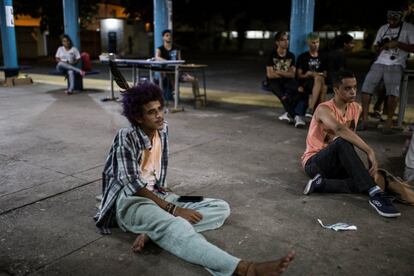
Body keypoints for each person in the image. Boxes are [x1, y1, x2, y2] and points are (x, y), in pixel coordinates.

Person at [94, 82, 295, 275]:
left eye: (159, 109)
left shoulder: (162, 129)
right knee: (177, 223)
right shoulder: (126, 137)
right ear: (138, 117)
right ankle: (245, 269)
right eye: (151, 112)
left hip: (159, 195)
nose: (159, 116)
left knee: (220, 207)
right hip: (133, 202)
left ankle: (155, 232)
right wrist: (172, 209)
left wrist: (170, 205)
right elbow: (133, 184)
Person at [302, 69, 401, 218]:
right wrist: (369, 151)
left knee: (372, 178)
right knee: (342, 141)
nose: (353, 92)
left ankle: (322, 184)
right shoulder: (323, 109)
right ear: (336, 90)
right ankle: (376, 196)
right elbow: (339, 129)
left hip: (338, 164)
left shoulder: (356, 108)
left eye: (355, 87)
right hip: (315, 162)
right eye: (347, 88)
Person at [360, 8, 414, 133]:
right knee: (366, 89)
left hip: (397, 63)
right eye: (389, 19)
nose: (391, 21)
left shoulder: (409, 28)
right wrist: (381, 46)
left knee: (392, 92)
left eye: (394, 19)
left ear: (400, 18)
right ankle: (364, 120)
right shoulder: (384, 28)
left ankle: (389, 123)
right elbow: (375, 47)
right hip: (380, 61)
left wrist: (398, 44)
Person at [266, 31, 306, 128]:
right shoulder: (272, 55)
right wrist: (285, 73)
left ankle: (288, 113)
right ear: (277, 43)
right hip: (273, 82)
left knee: (301, 90)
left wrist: (278, 72)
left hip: (286, 80)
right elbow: (270, 75)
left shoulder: (291, 56)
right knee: (284, 96)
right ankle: (296, 117)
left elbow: (292, 75)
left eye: (287, 39)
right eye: (283, 40)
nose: (286, 41)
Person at [155, 29, 200, 106]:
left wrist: (186, 65)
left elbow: (179, 60)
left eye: (170, 35)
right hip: (168, 73)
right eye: (167, 35)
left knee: (195, 80)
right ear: (163, 37)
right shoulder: (160, 49)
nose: (169, 37)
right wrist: (167, 61)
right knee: (173, 83)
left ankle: (198, 99)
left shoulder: (176, 48)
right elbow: (157, 57)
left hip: (178, 71)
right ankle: (175, 101)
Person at [296, 32, 328, 118]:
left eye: (317, 42)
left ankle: (311, 108)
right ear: (308, 43)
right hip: (307, 83)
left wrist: (315, 74)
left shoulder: (323, 56)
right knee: (323, 86)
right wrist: (307, 75)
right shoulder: (303, 57)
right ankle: (319, 113)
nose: (316, 45)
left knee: (321, 83)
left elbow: (325, 74)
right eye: (313, 42)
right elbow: (299, 75)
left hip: (318, 82)